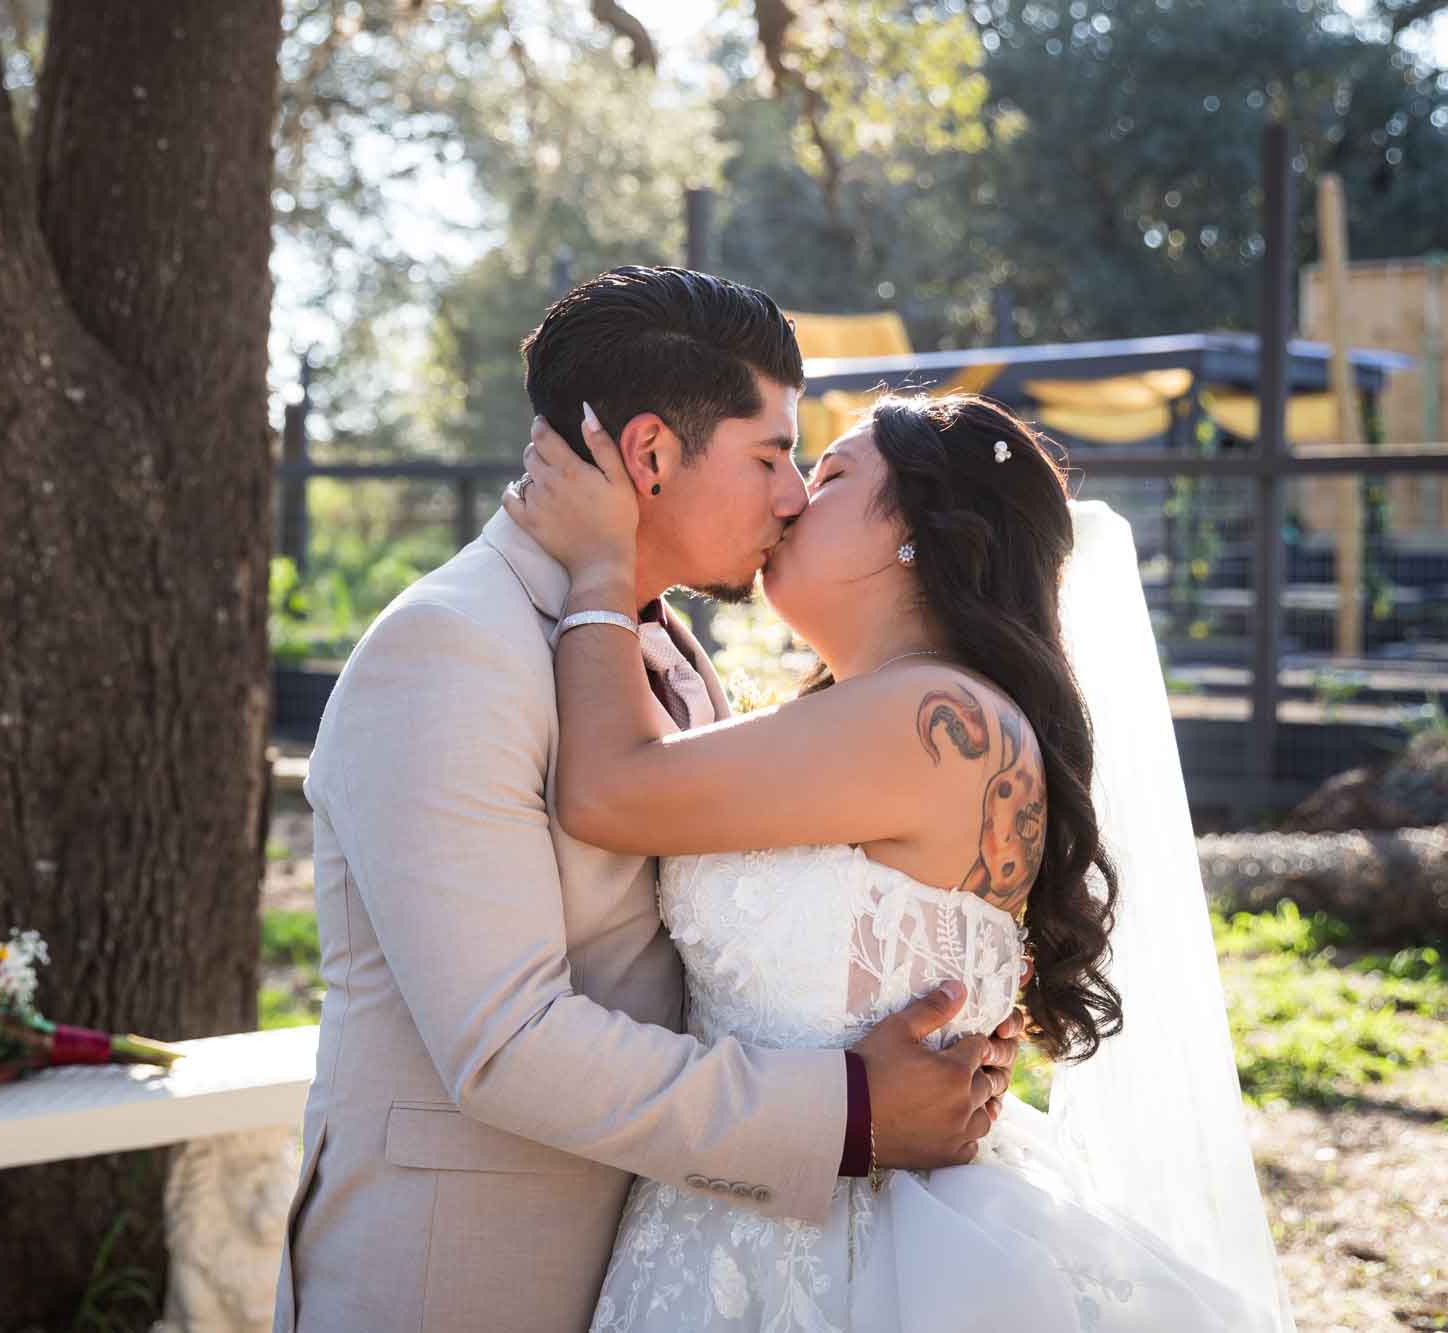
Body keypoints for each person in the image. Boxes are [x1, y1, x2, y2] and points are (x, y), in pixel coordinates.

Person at [272, 268, 1025, 1332]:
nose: (791, 495)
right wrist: (854, 1111)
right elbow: (505, 1041)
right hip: (466, 1278)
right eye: (769, 453)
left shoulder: (657, 640)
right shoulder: (450, 647)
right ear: (650, 454)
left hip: (670, 1261)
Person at [502, 389, 1295, 1330]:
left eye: (829, 474)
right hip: (748, 1203)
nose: (791, 497)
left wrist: (602, 568)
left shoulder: (929, 723)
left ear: (920, 534)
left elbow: (604, 794)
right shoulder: (880, 713)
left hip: (847, 1250)